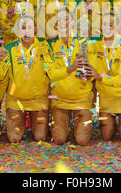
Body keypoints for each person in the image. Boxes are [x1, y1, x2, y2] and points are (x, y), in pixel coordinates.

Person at [84, 12, 121, 142]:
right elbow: (91, 66)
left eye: (111, 24)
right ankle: (114, 119)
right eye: (104, 24)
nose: (107, 28)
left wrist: (101, 78)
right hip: (106, 94)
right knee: (106, 136)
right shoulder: (94, 43)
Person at [44, 10, 94, 146]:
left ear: (72, 22)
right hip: (60, 99)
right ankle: (66, 124)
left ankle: (77, 125)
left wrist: (89, 74)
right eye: (59, 20)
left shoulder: (83, 42)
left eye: (66, 19)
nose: (63, 23)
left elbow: (89, 75)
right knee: (59, 139)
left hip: (81, 98)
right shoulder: (49, 45)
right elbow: (51, 75)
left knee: (82, 141)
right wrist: (71, 68)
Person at [3, 15, 51, 143]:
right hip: (16, 99)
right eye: (22, 28)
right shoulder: (9, 49)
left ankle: (37, 121)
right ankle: (22, 119)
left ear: (35, 29)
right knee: (14, 138)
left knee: (40, 137)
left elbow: (53, 74)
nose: (26, 31)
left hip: (38, 99)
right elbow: (0, 77)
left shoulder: (44, 47)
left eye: (29, 27)